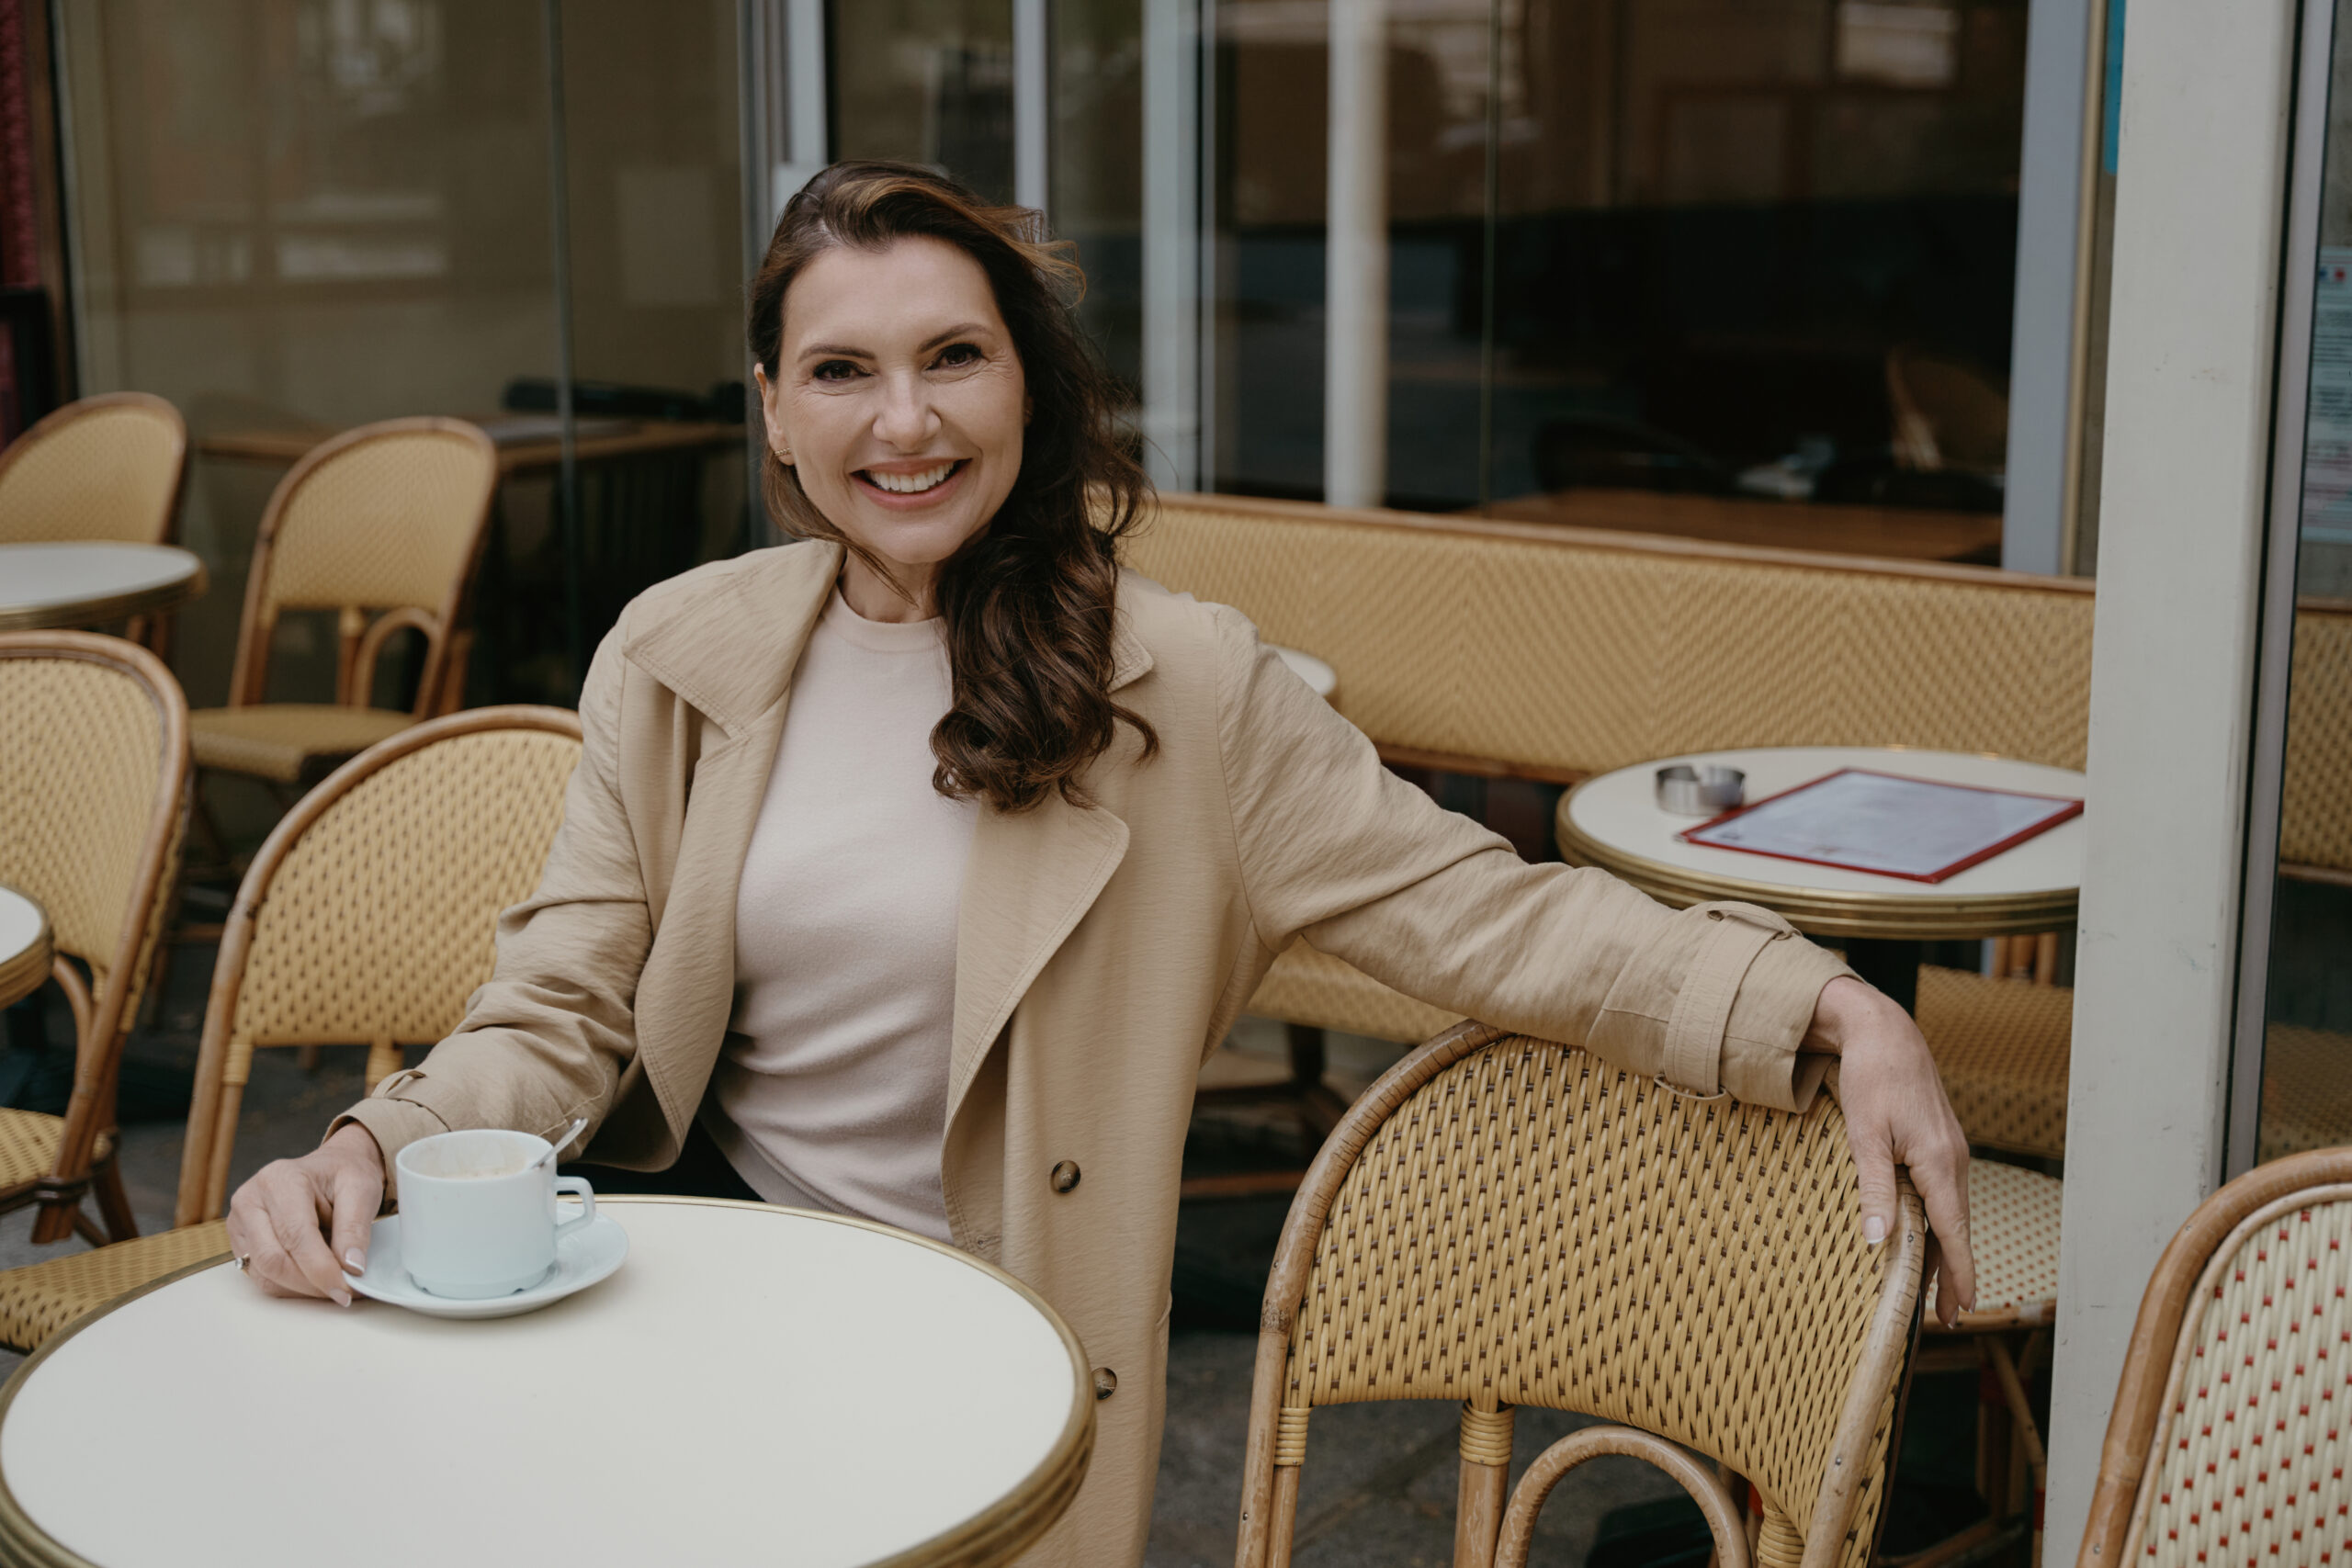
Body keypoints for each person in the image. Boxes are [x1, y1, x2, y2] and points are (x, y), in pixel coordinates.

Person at [227, 161, 1973, 1567]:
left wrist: (1813, 1001)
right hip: (713, 1294)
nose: (901, 422)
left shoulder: (1183, 685)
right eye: (841, 371)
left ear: (1027, 385)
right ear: (773, 413)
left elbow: (1476, 911)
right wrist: (382, 1139)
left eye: (951, 358)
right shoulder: (678, 651)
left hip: (983, 1345)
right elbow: (563, 1000)